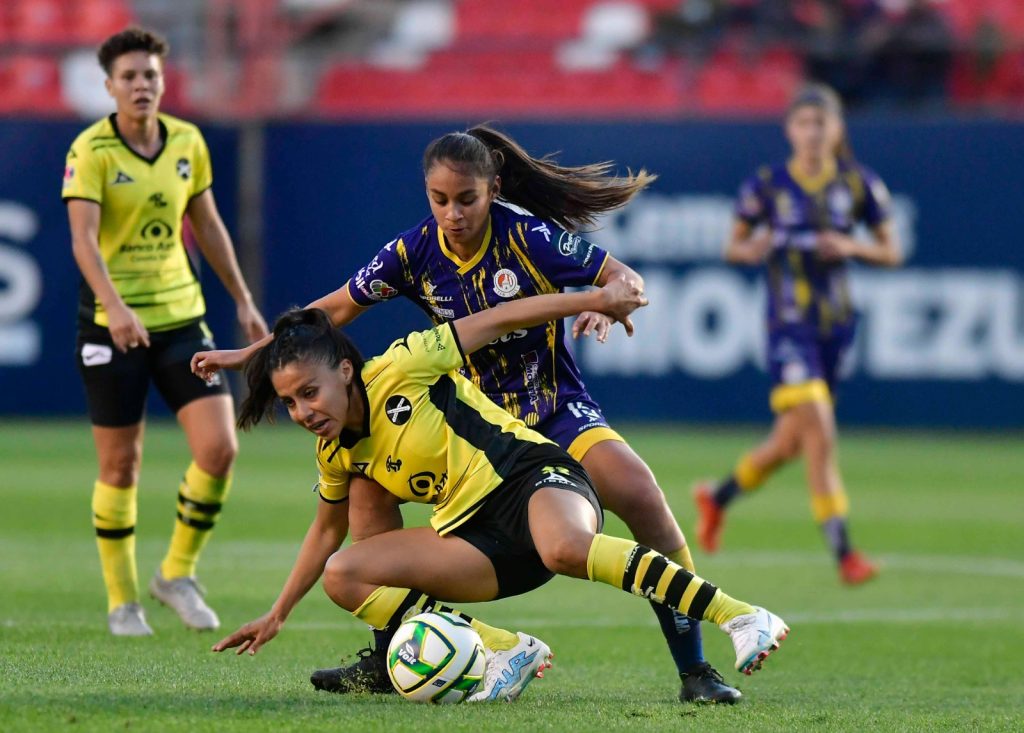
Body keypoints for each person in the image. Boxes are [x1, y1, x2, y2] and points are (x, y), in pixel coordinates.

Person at [193, 126, 740, 702]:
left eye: (466, 200)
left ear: (493, 190)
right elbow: (331, 311)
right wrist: (252, 354)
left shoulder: (527, 236)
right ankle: (391, 653)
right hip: (472, 425)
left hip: (551, 407)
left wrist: (606, 304)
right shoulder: (413, 252)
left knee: (639, 492)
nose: (452, 214)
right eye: (439, 200)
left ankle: (696, 670)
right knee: (365, 487)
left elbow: (624, 280)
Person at [210, 282, 789, 703]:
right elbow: (325, 532)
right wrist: (277, 614)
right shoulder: (336, 452)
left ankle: (739, 615)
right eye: (289, 403)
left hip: (532, 478)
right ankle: (502, 648)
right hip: (476, 542)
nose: (302, 412)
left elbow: (503, 317)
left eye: (309, 392)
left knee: (566, 547)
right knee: (343, 574)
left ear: (343, 370)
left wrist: (592, 299)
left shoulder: (404, 366)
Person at [63, 27, 268, 636]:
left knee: (220, 448)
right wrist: (116, 306)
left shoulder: (186, 141)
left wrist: (243, 300)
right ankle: (122, 600)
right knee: (120, 465)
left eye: (150, 75)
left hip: (181, 319)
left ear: (161, 80)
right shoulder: (91, 150)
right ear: (109, 86)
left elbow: (207, 225)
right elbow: (83, 241)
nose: (141, 85)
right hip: (112, 328)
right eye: (128, 77)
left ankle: (176, 573)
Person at [692, 84, 902, 584]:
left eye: (821, 123)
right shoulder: (767, 185)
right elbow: (733, 248)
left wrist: (851, 246)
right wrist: (754, 247)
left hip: (836, 328)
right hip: (788, 327)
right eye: (804, 123)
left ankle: (716, 497)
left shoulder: (858, 184)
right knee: (820, 434)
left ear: (837, 129)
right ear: (790, 130)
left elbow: (891, 251)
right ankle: (845, 554)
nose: (813, 132)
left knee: (789, 444)